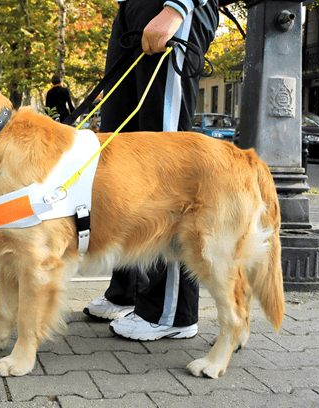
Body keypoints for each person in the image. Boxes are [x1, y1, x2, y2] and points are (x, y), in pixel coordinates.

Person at [83, 0, 219, 341]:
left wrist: (178, 7)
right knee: (119, 159)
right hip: (131, 8)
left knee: (164, 164)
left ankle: (170, 311)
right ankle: (127, 290)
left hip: (170, 7)